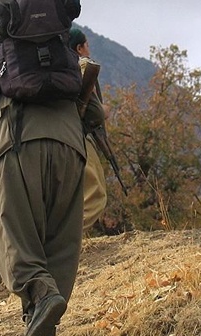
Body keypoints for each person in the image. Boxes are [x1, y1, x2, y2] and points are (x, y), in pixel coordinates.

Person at [0, 42, 86, 336]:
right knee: (61, 241)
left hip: (18, 145)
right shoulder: (69, 58)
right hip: (72, 151)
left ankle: (41, 294)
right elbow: (95, 114)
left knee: (11, 233)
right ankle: (43, 322)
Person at [68, 28, 109, 233]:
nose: (88, 49)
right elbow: (93, 113)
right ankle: (67, 243)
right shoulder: (82, 66)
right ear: (79, 48)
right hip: (77, 136)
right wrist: (104, 110)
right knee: (95, 196)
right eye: (87, 45)